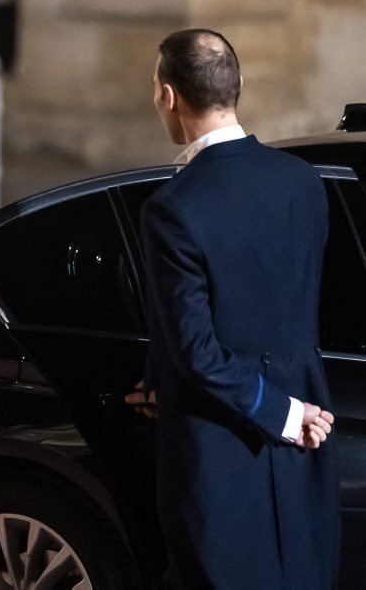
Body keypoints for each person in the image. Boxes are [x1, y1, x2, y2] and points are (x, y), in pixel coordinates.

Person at [128, 29, 341, 588]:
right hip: (310, 440)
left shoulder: (172, 207)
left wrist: (281, 413)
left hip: (220, 450)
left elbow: (198, 350)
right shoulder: (305, 182)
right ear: (237, 84)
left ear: (168, 96)